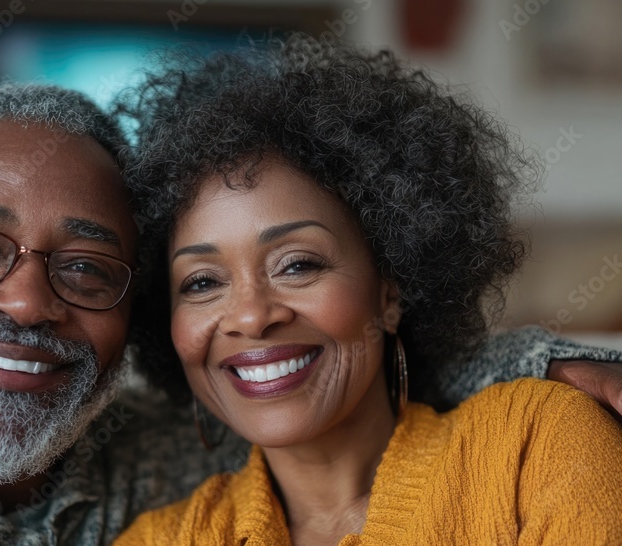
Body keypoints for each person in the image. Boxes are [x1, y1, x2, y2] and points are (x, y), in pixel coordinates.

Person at [0, 81, 620, 546]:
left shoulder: (175, 446)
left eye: (87, 268)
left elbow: (325, 398)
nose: (25, 300)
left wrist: (527, 363)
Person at [114, 37, 622, 545]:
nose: (250, 315)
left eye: (297, 265)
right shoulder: (159, 540)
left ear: (389, 292)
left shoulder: (538, 448)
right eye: (202, 282)